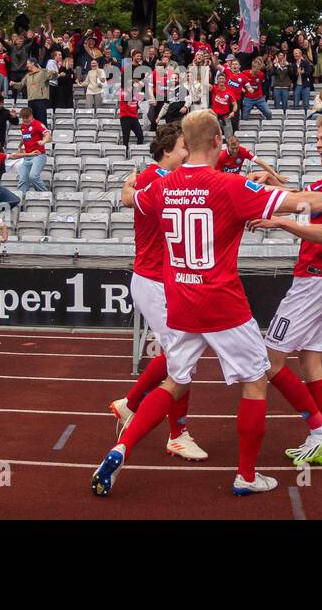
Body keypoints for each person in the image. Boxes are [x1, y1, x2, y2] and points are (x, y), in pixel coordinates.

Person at [92, 109, 322, 498]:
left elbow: (132, 198)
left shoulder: (163, 185)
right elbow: (297, 201)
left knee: (172, 382)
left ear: (185, 146)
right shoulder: (229, 186)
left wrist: (127, 184)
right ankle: (247, 475)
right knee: (255, 383)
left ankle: (121, 447)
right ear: (218, 141)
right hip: (222, 303)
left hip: (181, 300)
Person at [250, 115, 322, 466]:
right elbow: (299, 196)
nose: (317, 145)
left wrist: (283, 222)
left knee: (269, 360)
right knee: (311, 361)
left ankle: (319, 430)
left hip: (315, 280)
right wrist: (269, 183)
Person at [108, 123, 207, 461]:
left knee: (178, 353)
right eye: (183, 148)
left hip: (163, 280)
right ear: (168, 151)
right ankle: (177, 434)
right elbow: (128, 198)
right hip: (153, 281)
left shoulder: (162, 178)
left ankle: (130, 403)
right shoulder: (154, 178)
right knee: (182, 357)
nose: (188, 154)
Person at [8, 106, 51, 193]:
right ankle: (21, 201)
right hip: (27, 156)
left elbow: (47, 134)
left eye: (27, 118)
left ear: (31, 116)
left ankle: (45, 195)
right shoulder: (23, 126)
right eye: (23, 118)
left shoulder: (37, 124)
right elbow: (24, 137)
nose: (25, 120)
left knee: (33, 176)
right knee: (23, 180)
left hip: (38, 155)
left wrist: (44, 141)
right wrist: (20, 146)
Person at [215, 133, 285, 186]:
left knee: (267, 175)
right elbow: (218, 176)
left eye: (237, 148)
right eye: (232, 148)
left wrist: (276, 175)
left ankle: (287, 191)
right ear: (227, 147)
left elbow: (260, 162)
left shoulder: (242, 151)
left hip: (237, 180)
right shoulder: (221, 157)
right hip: (226, 183)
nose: (235, 150)